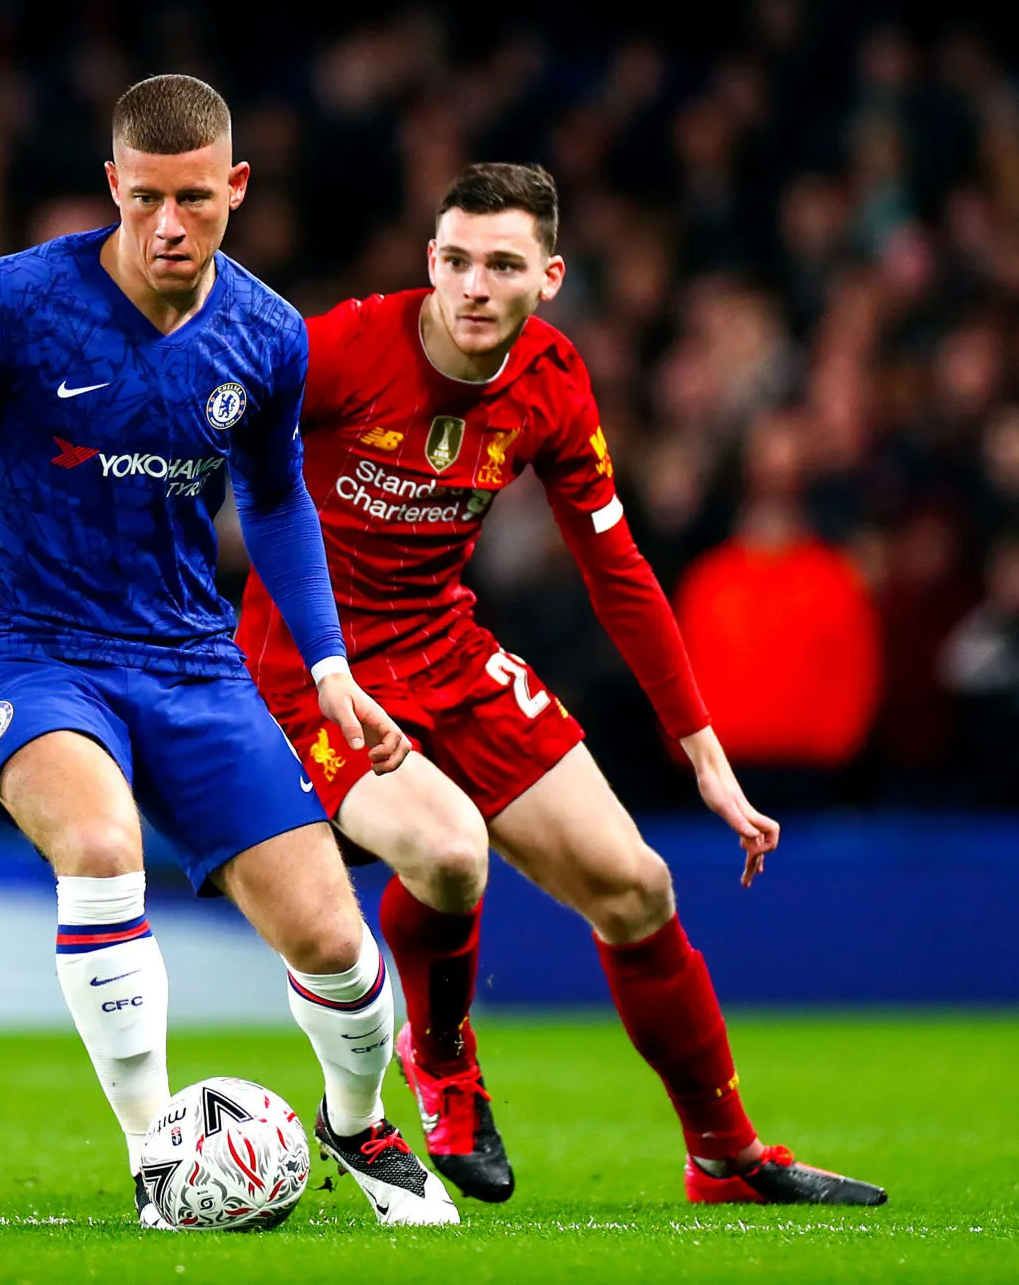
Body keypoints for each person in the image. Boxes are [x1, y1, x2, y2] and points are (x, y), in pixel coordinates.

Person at [0, 75, 457, 1227]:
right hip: (26, 648)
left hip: (190, 659)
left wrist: (327, 664)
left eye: (196, 200)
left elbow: (276, 501)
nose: (170, 224)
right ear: (113, 184)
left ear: (237, 189)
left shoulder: (266, 335)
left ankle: (360, 1125)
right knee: (101, 844)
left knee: (333, 938)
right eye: (147, 199)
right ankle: (156, 1155)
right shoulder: (14, 303)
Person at [238, 162, 887, 1207]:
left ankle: (724, 1158)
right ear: (430, 262)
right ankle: (442, 1065)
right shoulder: (343, 348)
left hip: (442, 645)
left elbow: (615, 566)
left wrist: (703, 754)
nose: (473, 286)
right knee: (450, 855)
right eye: (455, 260)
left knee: (637, 886)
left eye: (502, 265)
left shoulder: (551, 377)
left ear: (549, 277)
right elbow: (211, 444)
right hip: (313, 665)